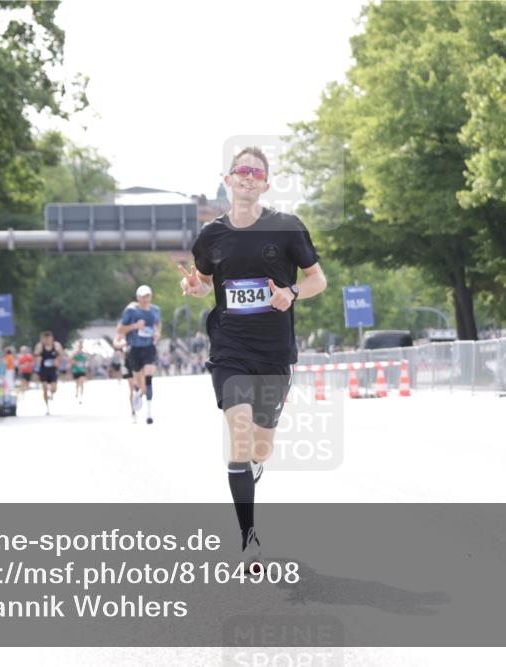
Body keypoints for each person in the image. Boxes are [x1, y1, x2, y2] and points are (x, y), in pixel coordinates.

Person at [179, 145, 326, 572]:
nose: (247, 177)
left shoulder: (286, 228)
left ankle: (255, 467)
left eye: (256, 172)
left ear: (265, 183)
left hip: (275, 352)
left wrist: (292, 292)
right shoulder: (211, 236)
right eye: (240, 170)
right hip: (229, 348)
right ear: (227, 180)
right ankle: (249, 541)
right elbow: (206, 282)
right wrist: (196, 288)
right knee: (239, 438)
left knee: (262, 445)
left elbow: (317, 279)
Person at [116, 286, 161, 424]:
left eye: (147, 296)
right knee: (139, 383)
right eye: (143, 296)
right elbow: (120, 329)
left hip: (149, 347)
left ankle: (149, 412)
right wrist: (135, 326)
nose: (145, 299)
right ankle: (138, 394)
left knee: (148, 378)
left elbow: (158, 323)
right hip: (134, 348)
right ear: (137, 297)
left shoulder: (155, 310)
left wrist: (157, 333)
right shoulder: (131, 310)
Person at [34, 331, 63, 415]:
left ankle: (52, 392)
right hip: (43, 370)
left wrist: (58, 360)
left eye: (49, 339)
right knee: (44, 389)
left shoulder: (56, 345)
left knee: (54, 389)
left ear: (52, 338)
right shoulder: (40, 346)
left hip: (53, 370)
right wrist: (38, 357)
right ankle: (47, 407)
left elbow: (62, 354)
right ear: (44, 339)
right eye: (46, 339)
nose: (47, 341)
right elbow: (35, 355)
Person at [113, 335, 138, 423]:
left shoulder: (138, 339)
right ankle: (133, 411)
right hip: (129, 367)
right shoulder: (124, 342)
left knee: (139, 388)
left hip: (138, 366)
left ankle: (137, 402)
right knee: (132, 389)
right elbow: (117, 345)